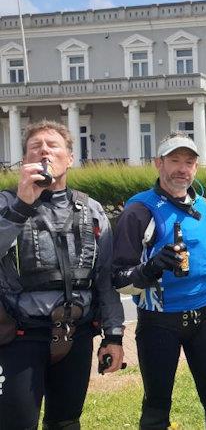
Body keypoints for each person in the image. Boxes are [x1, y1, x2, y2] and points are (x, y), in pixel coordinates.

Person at [0, 120, 125, 429]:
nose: (44, 150)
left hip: (76, 334)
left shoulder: (92, 210)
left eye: (53, 145)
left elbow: (105, 278)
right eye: (35, 147)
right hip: (20, 337)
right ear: (25, 160)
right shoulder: (6, 204)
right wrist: (22, 205)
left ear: (70, 158)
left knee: (66, 422)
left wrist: (113, 335)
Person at [113, 132, 206, 429]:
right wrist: (151, 268)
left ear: (196, 168)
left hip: (204, 318)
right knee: (157, 408)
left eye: (189, 162)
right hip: (158, 322)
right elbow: (118, 279)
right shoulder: (139, 211)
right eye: (174, 160)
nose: (182, 169)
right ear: (158, 163)